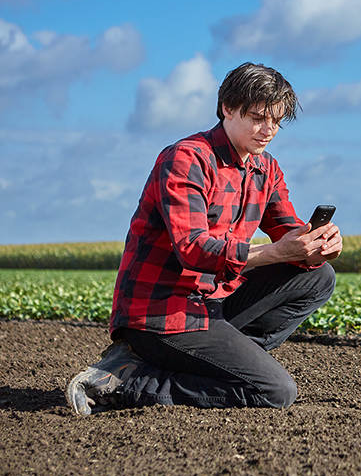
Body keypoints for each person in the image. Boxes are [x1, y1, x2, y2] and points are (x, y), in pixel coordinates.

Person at [66, 63, 342, 415]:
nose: (268, 130)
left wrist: (317, 245)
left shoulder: (266, 168)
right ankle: (128, 382)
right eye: (258, 117)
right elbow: (192, 249)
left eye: (276, 121)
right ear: (227, 108)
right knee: (275, 391)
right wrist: (274, 252)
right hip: (160, 313)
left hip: (212, 304)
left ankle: (214, 364)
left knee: (318, 277)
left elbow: (288, 230)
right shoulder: (186, 158)